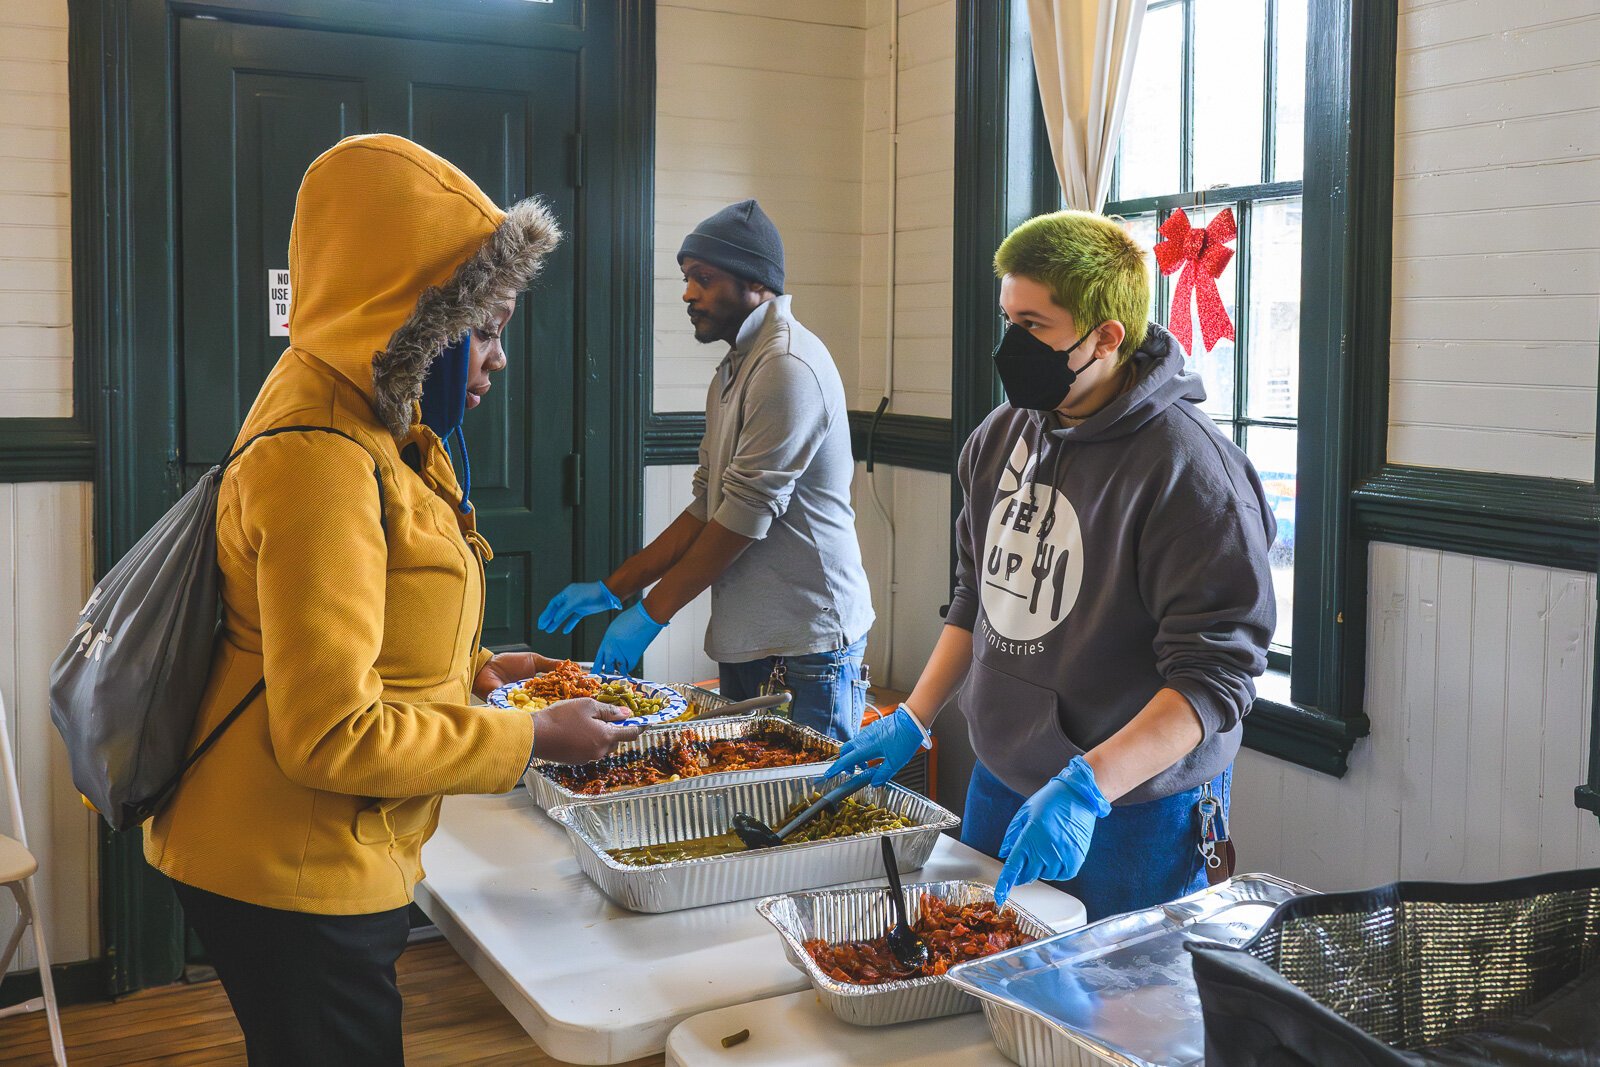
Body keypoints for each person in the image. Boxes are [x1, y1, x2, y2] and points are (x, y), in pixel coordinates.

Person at [144, 134, 641, 1067]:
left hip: (320, 849)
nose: (496, 360)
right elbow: (330, 733)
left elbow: (374, 610)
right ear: (407, 315)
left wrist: (479, 670)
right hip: (289, 866)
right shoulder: (320, 456)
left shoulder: (373, 420)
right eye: (485, 328)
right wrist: (535, 738)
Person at [825, 210, 1275, 922]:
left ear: (1106, 337)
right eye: (1007, 318)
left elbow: (1214, 679)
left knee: (1110, 1019)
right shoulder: (998, 438)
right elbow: (979, 594)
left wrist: (1088, 786)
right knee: (979, 990)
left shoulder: (1193, 474)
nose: (1011, 344)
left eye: (1033, 326)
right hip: (1001, 779)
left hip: (1129, 808)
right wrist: (915, 714)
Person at [538, 200, 876, 740]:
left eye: (703, 278)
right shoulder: (736, 367)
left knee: (808, 812)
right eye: (686, 277)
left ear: (755, 283)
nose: (687, 293)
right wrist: (612, 588)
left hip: (807, 646)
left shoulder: (786, 366)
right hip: (754, 637)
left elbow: (743, 518)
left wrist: (650, 615)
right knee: (748, 805)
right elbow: (708, 503)